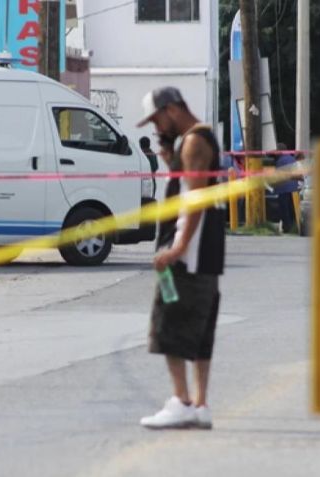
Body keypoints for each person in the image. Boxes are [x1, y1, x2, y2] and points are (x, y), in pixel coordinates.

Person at [136, 86, 226, 430]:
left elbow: (195, 201)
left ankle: (181, 401)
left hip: (189, 257)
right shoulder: (194, 142)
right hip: (205, 256)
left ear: (172, 109)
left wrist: (176, 249)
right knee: (201, 332)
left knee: (168, 327)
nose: (155, 128)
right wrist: (169, 159)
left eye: (157, 120)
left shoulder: (193, 143)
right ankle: (200, 404)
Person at [273, 143, 301, 233]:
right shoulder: (292, 159)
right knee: (293, 209)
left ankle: (287, 228)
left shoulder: (280, 161)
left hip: (283, 189)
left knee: (285, 211)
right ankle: (295, 227)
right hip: (294, 189)